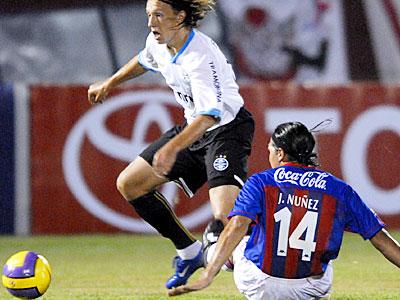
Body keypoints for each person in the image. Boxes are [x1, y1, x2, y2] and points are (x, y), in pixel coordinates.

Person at [87, 0, 254, 290]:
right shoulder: (158, 41)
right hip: (194, 128)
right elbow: (143, 60)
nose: (152, 22)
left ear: (180, 16)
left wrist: (173, 147)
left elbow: (209, 115)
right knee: (130, 184)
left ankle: (261, 277)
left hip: (226, 131)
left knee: (224, 220)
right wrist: (110, 83)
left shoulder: (200, 57)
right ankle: (189, 253)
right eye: (149, 15)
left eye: (159, 15)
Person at [168, 121, 400, 299]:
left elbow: (237, 226)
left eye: (270, 148)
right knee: (326, 264)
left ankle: (208, 249)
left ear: (280, 153)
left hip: (261, 286)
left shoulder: (260, 182)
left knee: (240, 240)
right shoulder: (338, 189)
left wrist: (208, 275)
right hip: (309, 288)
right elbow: (380, 239)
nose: (269, 153)